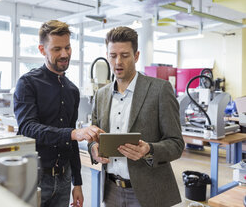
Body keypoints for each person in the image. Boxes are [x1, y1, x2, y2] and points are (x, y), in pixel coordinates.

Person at [88, 26, 184, 207]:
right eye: (113, 55)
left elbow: (177, 144)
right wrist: (93, 148)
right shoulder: (101, 95)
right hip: (111, 190)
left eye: (124, 55)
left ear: (136, 56)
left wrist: (149, 150)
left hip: (148, 192)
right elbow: (93, 137)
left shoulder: (159, 90)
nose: (118, 62)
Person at [14, 20, 104, 207]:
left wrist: (77, 183)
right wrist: (72, 133)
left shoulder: (72, 90)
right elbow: (27, 128)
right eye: (56, 49)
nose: (64, 54)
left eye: (68, 48)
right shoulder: (28, 83)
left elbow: (71, 144)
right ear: (42, 49)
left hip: (64, 178)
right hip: (35, 178)